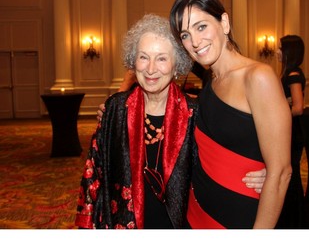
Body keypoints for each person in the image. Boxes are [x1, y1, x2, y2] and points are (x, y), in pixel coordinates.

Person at [76, 14, 265, 229]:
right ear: (133, 61)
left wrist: (262, 171)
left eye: (162, 58)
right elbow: (94, 175)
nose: (151, 68)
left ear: (177, 66)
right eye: (143, 57)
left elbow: (225, 154)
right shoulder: (115, 109)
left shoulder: (195, 111)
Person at [169, 0, 292, 228]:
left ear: (223, 22)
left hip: (239, 217)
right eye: (185, 34)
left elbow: (281, 172)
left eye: (201, 26)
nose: (194, 42)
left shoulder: (258, 77)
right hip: (197, 213)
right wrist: (116, 110)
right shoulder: (211, 81)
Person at [275, 35, 306, 229]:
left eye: (280, 48)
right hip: (289, 129)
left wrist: (278, 113)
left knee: (290, 173)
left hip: (293, 131)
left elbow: (298, 107)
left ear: (289, 52)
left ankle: (295, 219)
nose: (277, 51)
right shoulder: (289, 71)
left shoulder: (293, 74)